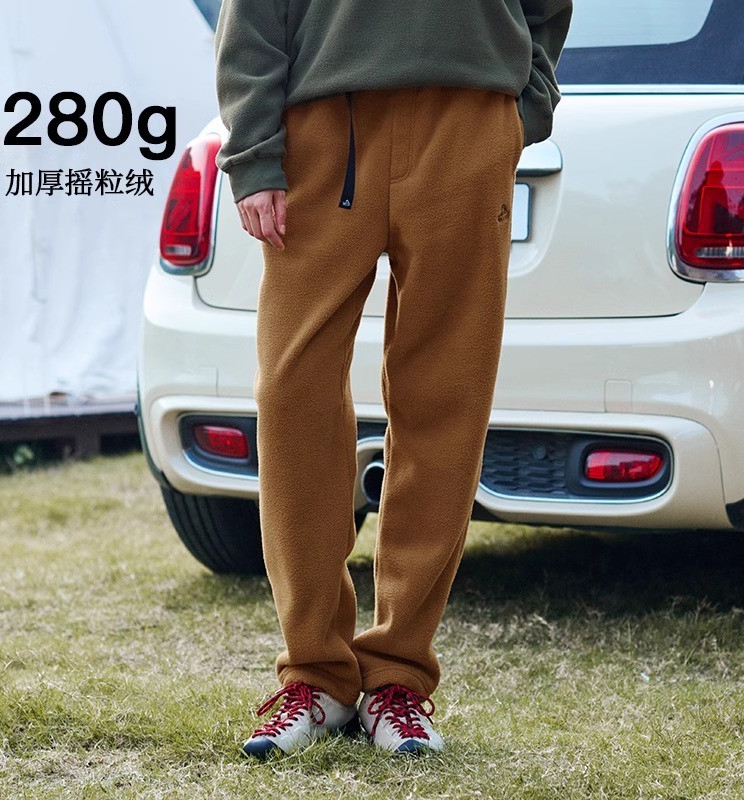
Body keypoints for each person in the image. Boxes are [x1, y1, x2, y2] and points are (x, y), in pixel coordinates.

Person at [214, 0, 572, 758]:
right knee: (292, 392)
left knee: (446, 396)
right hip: (323, 128)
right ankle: (316, 673)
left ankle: (398, 675)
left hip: (469, 123)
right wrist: (254, 154)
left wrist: (523, 107)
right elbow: (253, 17)